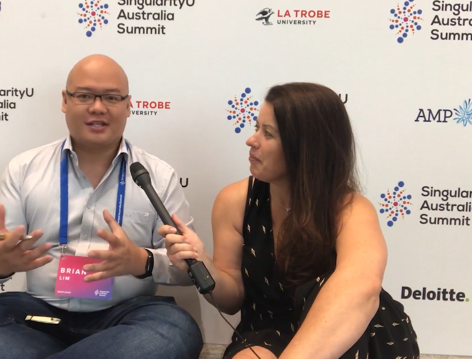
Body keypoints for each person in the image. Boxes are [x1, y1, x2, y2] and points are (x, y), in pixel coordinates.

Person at [0, 54, 203, 359]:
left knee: (176, 332)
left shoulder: (157, 176)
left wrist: (142, 261)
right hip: (37, 315)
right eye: (84, 95)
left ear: (128, 105)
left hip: (124, 317)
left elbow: (188, 269)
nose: (97, 107)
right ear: (65, 100)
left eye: (111, 97)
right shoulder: (25, 168)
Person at [159, 83, 420, 359]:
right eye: (256, 127)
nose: (251, 140)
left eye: (268, 133)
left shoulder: (351, 209)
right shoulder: (234, 201)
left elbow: (361, 288)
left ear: (306, 147)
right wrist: (204, 262)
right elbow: (231, 300)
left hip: (349, 334)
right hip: (266, 330)